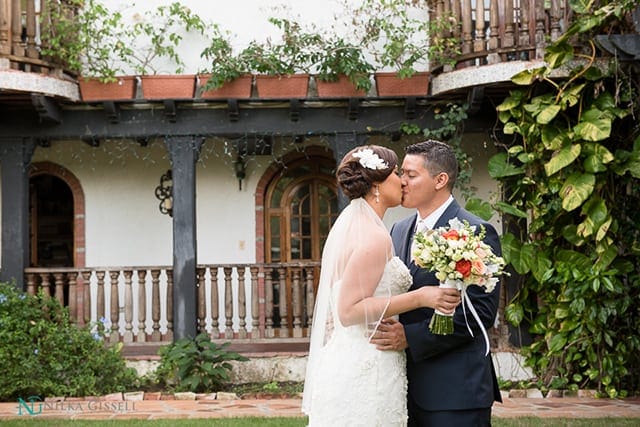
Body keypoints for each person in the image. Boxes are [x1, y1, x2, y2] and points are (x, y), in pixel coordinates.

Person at [302, 145, 461, 427]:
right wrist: (421, 297)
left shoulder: (357, 226)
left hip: (357, 355)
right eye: (397, 173)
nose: (401, 180)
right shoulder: (374, 236)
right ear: (376, 184)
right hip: (368, 365)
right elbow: (348, 310)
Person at [372, 139, 503, 426]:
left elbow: (478, 314)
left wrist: (410, 336)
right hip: (404, 388)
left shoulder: (478, 232)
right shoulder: (399, 230)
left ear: (440, 180)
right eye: (401, 174)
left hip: (456, 391)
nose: (401, 181)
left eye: (410, 174)